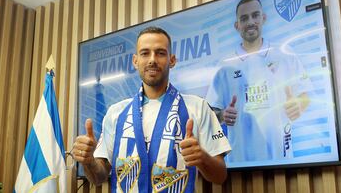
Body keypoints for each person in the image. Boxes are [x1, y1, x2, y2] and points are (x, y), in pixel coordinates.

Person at [72, 26, 231, 192]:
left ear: (172, 60)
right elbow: (99, 177)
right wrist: (89, 160)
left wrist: (202, 158)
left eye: (160, 53)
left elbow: (220, 176)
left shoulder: (198, 107)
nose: (152, 60)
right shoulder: (116, 112)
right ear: (135, 60)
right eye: (145, 53)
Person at [206, 0, 312, 162]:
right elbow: (211, 112)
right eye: (244, 18)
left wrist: (299, 105)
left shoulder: (285, 53)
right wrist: (222, 115)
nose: (250, 22)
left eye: (255, 15)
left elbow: (305, 94)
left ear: (263, 18)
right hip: (240, 163)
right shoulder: (224, 65)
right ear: (237, 25)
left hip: (282, 160)